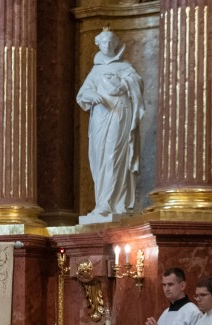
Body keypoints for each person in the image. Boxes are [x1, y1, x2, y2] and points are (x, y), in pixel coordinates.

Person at [75, 29, 144, 221]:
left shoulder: (125, 67)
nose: (107, 46)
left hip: (119, 113)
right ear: (98, 45)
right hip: (100, 116)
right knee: (100, 157)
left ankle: (111, 203)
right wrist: (92, 95)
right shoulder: (96, 70)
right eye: (104, 42)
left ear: (116, 44)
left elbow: (137, 83)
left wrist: (123, 85)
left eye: (110, 42)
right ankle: (102, 202)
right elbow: (82, 94)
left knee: (114, 155)